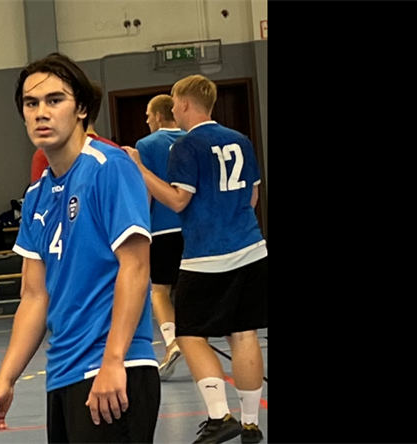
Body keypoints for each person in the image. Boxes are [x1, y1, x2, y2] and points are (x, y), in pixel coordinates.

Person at [0, 52, 160, 444]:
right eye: (31, 103)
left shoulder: (109, 167)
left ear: (81, 108)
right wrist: (5, 379)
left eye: (54, 100)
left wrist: (113, 361)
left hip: (113, 370)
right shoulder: (36, 196)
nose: (41, 113)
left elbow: (135, 267)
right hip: (63, 376)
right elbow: (34, 296)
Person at [123, 75, 267, 444]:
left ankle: (220, 416)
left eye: (174, 102)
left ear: (185, 103)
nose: (172, 108)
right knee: (244, 333)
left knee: (188, 334)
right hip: (252, 248)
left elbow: (177, 200)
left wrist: (140, 169)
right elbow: (252, 198)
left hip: (207, 256)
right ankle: (251, 424)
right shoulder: (240, 140)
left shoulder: (186, 146)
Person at [133, 94, 187, 380]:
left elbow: (147, 189)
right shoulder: (191, 138)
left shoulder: (146, 145)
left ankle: (172, 341)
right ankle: (196, 341)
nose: (146, 120)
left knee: (159, 290)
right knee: (190, 288)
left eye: (147, 114)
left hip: (162, 228)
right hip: (192, 227)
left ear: (157, 115)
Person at [31, 81, 118, 182]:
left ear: (81, 108)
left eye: (56, 102)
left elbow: (41, 190)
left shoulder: (46, 153)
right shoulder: (115, 150)